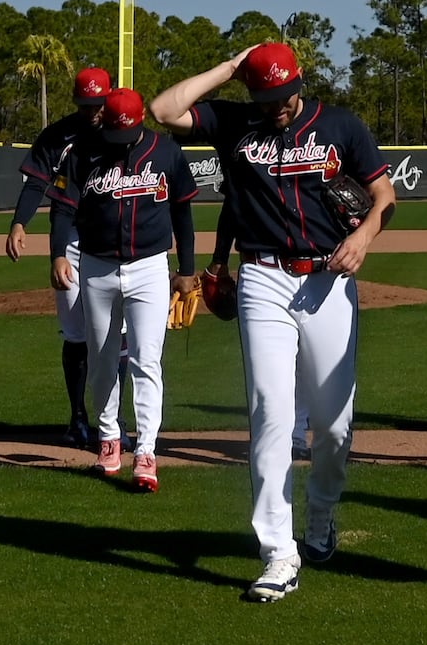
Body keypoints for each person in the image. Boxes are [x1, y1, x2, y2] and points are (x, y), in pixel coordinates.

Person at [150, 39, 393, 603]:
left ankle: (321, 516)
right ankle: (277, 552)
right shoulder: (235, 122)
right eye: (266, 95)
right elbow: (162, 110)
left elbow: (383, 194)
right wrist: (231, 68)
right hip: (261, 276)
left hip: (329, 277)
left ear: (300, 81)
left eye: (284, 94)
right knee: (270, 414)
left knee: (333, 426)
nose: (278, 105)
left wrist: (363, 235)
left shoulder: (339, 125)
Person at [50, 85, 196, 492]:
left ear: (139, 123)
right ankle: (109, 437)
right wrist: (58, 255)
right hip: (96, 266)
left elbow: (183, 211)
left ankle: (146, 449)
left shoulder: (166, 152)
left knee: (146, 360)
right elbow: (63, 208)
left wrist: (186, 268)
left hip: (149, 266)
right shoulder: (83, 152)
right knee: (101, 358)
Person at [5, 66, 115, 448]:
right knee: (76, 334)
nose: (94, 111)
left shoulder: (125, 130)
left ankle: (112, 423)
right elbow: (36, 182)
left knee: (123, 339)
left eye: (99, 103)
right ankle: (78, 417)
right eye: (87, 105)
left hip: (114, 242)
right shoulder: (59, 136)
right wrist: (20, 223)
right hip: (70, 240)